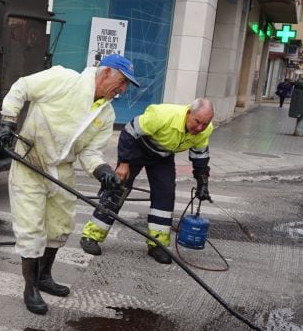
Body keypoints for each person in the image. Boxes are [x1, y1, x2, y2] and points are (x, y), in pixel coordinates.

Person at [0, 55, 140, 315]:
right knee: (31, 227)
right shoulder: (63, 79)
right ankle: (30, 288)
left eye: (127, 85)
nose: (123, 89)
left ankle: (44, 276)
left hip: (61, 170)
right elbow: (22, 88)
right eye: (122, 81)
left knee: (60, 225)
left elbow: (90, 152)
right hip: (31, 162)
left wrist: (103, 171)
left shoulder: (106, 113)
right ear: (106, 72)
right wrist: (7, 121)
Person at [79, 98, 215, 265]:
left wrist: (203, 183)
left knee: (165, 195)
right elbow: (129, 131)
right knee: (117, 189)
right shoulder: (162, 115)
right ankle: (91, 236)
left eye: (205, 124)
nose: (200, 128)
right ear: (188, 113)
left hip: (162, 157)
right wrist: (123, 163)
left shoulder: (204, 130)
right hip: (137, 148)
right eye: (197, 122)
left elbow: (200, 156)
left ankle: (157, 244)